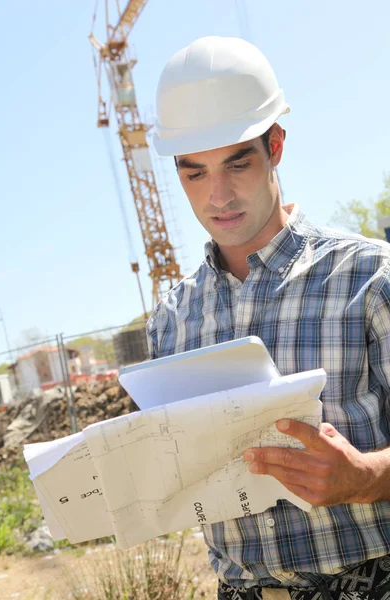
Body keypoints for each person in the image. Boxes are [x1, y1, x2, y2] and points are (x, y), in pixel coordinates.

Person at [147, 36, 390, 600]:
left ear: (275, 145)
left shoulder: (369, 277)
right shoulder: (173, 320)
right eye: (195, 173)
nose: (219, 196)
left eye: (238, 163)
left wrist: (366, 477)